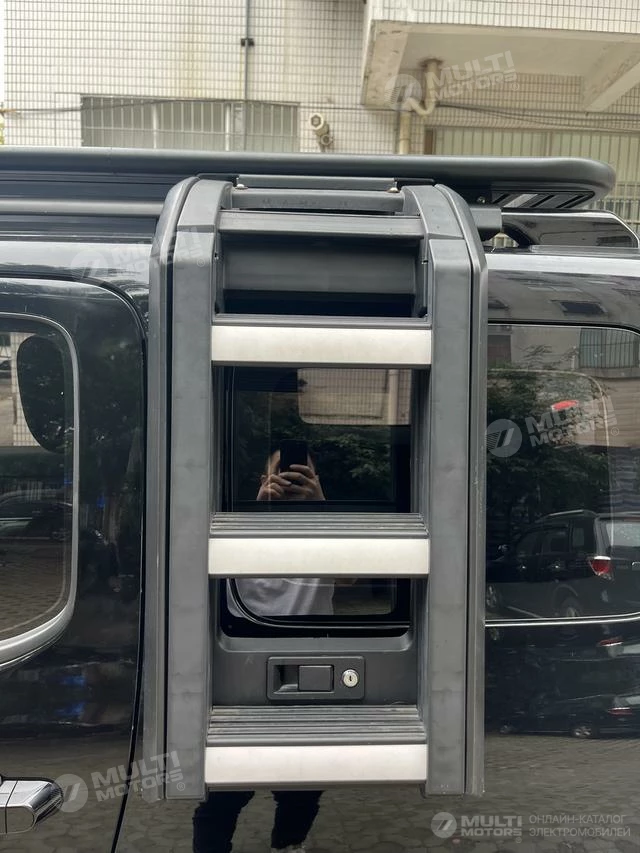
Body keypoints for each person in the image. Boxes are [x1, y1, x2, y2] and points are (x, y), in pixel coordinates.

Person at [192, 448, 328, 853]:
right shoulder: (233, 527)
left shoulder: (328, 531)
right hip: (240, 672)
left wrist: (320, 507)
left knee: (303, 789)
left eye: (303, 475)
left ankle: (288, 845)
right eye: (279, 474)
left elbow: (353, 577)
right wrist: (256, 509)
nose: (290, 482)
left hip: (309, 675)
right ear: (262, 479)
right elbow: (197, 572)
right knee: (223, 794)